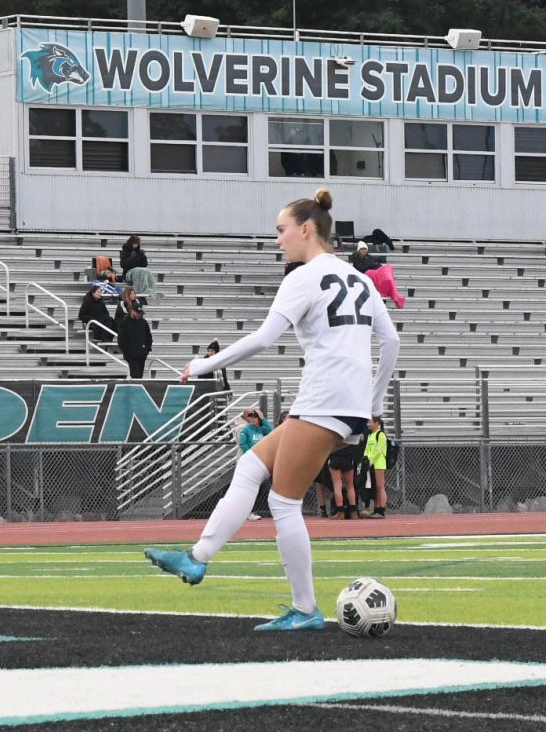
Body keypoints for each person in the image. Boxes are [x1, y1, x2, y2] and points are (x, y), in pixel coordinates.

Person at [143, 187, 400, 632]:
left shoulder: (302, 278)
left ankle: (305, 608)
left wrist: (204, 363)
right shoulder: (360, 277)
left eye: (281, 230)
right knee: (249, 467)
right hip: (344, 401)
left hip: (325, 400)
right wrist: (373, 402)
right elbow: (391, 341)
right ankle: (196, 558)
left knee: (283, 501)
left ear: (305, 229)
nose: (278, 239)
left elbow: (263, 339)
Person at [350, 242, 405, 309]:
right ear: (359, 250)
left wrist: (372, 267)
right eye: (362, 249)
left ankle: (385, 295)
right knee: (370, 272)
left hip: (373, 277)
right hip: (363, 278)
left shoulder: (370, 257)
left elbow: (378, 266)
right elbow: (360, 269)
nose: (364, 250)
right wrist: (371, 266)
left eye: (365, 249)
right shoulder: (356, 258)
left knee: (387, 268)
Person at [326, 442, 364, 519]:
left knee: (337, 485)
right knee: (350, 486)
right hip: (348, 459)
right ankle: (353, 512)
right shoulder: (350, 435)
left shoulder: (336, 434)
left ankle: (340, 511)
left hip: (335, 457)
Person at [361, 416, 390, 519]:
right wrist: (365, 460)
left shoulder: (381, 435)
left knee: (380, 487)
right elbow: (367, 449)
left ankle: (381, 510)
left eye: (370, 422)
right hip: (370, 464)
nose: (368, 424)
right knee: (375, 487)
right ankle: (376, 509)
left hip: (379, 464)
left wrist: (371, 461)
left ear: (377, 423)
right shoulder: (370, 435)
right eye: (368, 422)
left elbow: (379, 450)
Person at [116, 301, 152, 379]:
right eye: (137, 312)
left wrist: (146, 350)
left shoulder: (143, 323)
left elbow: (148, 338)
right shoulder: (124, 323)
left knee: (140, 376)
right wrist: (127, 352)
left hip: (141, 355)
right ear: (132, 311)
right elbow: (121, 340)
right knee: (135, 375)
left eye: (140, 313)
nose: (139, 314)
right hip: (131, 356)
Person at [120, 235, 159, 301]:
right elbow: (123, 265)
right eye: (134, 243)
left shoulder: (139, 252)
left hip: (139, 275)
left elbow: (145, 265)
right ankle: (141, 296)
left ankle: (152, 290)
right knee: (137, 271)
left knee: (146, 271)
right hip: (128, 274)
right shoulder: (125, 251)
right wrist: (132, 257)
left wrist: (143, 256)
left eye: (137, 244)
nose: (135, 245)